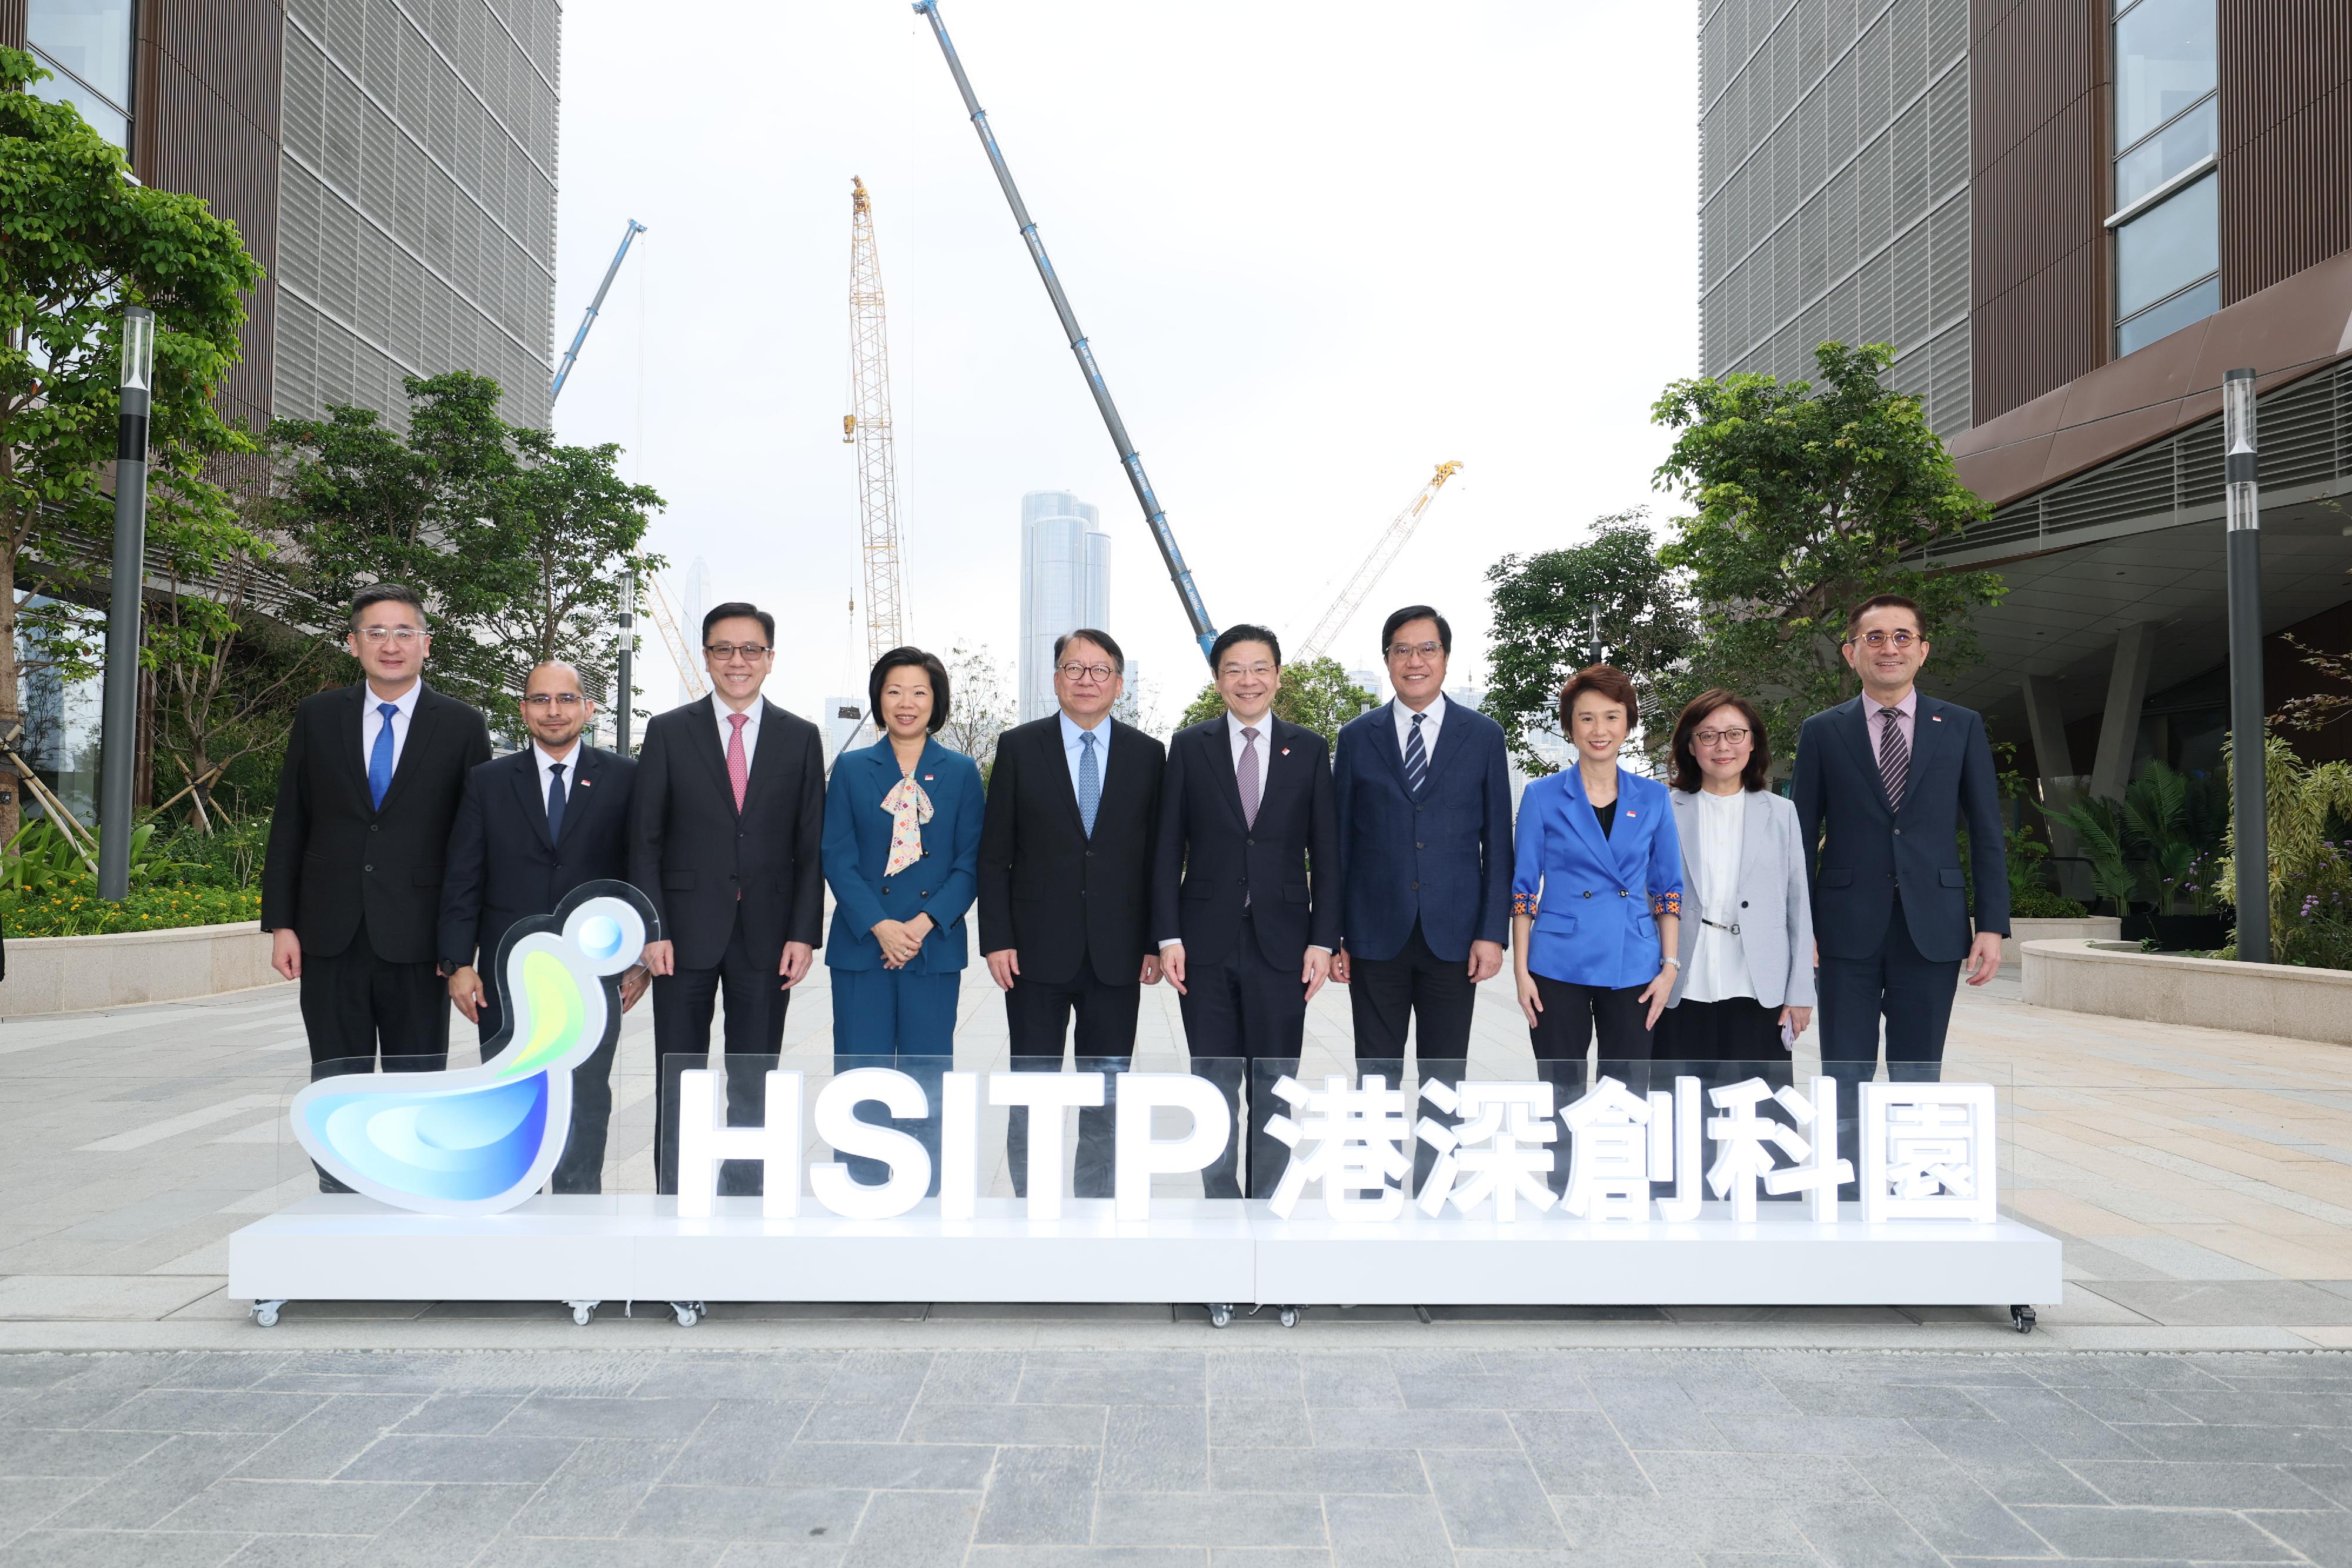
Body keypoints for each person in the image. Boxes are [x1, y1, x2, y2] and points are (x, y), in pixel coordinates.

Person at [262, 584, 493, 1187]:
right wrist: (282, 923)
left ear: (426, 645)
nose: (391, 645)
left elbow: (473, 843)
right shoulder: (318, 717)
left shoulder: (462, 725)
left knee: (418, 1084)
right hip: (329, 932)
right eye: (376, 632)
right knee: (337, 1082)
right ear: (353, 643)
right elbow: (291, 821)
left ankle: (414, 1196)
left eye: (404, 632)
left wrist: (460, 948)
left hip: (421, 941)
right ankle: (340, 1198)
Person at [1790, 593, 2007, 1189]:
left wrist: (1991, 924)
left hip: (1932, 927)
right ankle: (1847, 1186)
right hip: (1842, 930)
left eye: (1902, 637)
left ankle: (1913, 1184)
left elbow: (1986, 831)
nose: (1889, 648)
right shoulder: (1822, 731)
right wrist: (1801, 928)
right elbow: (1799, 837)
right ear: (1851, 653)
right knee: (1845, 1070)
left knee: (1918, 1068)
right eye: (1875, 637)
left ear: (1923, 650)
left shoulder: (1960, 725)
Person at [630, 601, 825, 1196]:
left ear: (769, 658)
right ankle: (676, 1199)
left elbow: (809, 846)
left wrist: (803, 933)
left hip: (767, 937)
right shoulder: (668, 731)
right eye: (724, 649)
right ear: (707, 657)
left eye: (750, 650)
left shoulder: (800, 737)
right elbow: (645, 839)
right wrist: (652, 930)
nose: (737, 661)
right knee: (679, 1079)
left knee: (754, 1081)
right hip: (682, 937)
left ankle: (744, 1199)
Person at [437, 660, 646, 1193]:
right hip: (505, 975)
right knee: (511, 1096)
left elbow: (641, 871)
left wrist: (639, 957)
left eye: (566, 699)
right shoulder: (487, 781)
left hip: (593, 973)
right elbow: (463, 876)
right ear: (524, 709)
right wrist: (458, 963)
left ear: (588, 708)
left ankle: (579, 1207)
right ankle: (516, 1204)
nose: (554, 710)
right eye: (541, 699)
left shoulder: (626, 777)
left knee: (586, 1095)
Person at [1153, 623, 1341, 1199]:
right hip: (1203, 944)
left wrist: (1323, 940)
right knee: (1212, 1085)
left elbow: (1327, 853)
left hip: (1284, 944)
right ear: (1217, 680)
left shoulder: (1308, 748)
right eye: (1234, 669)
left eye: (1259, 668)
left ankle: (1266, 1208)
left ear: (1278, 676)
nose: (1247, 680)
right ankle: (1220, 1212)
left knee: (1275, 1086)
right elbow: (1167, 848)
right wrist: (1167, 936)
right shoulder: (1190, 746)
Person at [978, 628, 1164, 1199]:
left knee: (1108, 1091)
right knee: (1032, 1089)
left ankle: (1095, 1206)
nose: (1087, 679)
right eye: (1074, 668)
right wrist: (997, 938)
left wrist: (1155, 941)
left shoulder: (1148, 755)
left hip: (1118, 953)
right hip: (1033, 954)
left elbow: (1158, 857)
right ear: (1056, 678)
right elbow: (994, 854)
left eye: (1099, 669)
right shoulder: (1018, 747)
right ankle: (1029, 1206)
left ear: (1119, 683)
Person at [1331, 605, 1511, 1195]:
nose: (1415, 661)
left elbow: (1497, 842)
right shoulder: (1356, 738)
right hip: (1374, 934)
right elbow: (1339, 845)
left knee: (1445, 1075)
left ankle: (1438, 1193)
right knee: (1374, 1075)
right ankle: (1374, 1192)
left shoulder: (1482, 736)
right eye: (1402, 649)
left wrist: (1492, 932)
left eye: (1427, 648)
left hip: (1454, 936)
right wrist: (1333, 935)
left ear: (1446, 658)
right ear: (1386, 659)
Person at [824, 647, 983, 1192]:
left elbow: (971, 862)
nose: (906, 702)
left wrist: (920, 923)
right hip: (862, 945)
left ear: (936, 700)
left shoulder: (961, 772)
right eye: (894, 691)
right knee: (861, 1077)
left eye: (919, 691)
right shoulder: (851, 769)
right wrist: (881, 925)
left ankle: (927, 1192)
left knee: (927, 1079)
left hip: (931, 948)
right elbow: (836, 857)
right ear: (879, 699)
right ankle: (861, 1189)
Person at [1510, 664, 1682, 1119]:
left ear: (1628, 723)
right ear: (1570, 726)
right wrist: (1521, 971)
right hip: (1556, 962)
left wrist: (1669, 966)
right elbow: (1523, 891)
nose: (1599, 730)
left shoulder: (1654, 797)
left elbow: (1667, 890)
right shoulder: (1542, 795)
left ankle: (1617, 1169)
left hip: (1635, 961)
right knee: (1560, 1094)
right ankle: (1564, 1168)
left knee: (1626, 1096)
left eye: (1611, 717)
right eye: (1586, 718)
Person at [1658, 689, 1815, 1103]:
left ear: (1753, 742)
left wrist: (1801, 992)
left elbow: (1798, 905)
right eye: (1708, 736)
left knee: (1761, 1113)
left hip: (1759, 983)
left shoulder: (1781, 813)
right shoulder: (1663, 809)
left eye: (1734, 734)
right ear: (1691, 746)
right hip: (1682, 980)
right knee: (1680, 1112)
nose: (1722, 746)